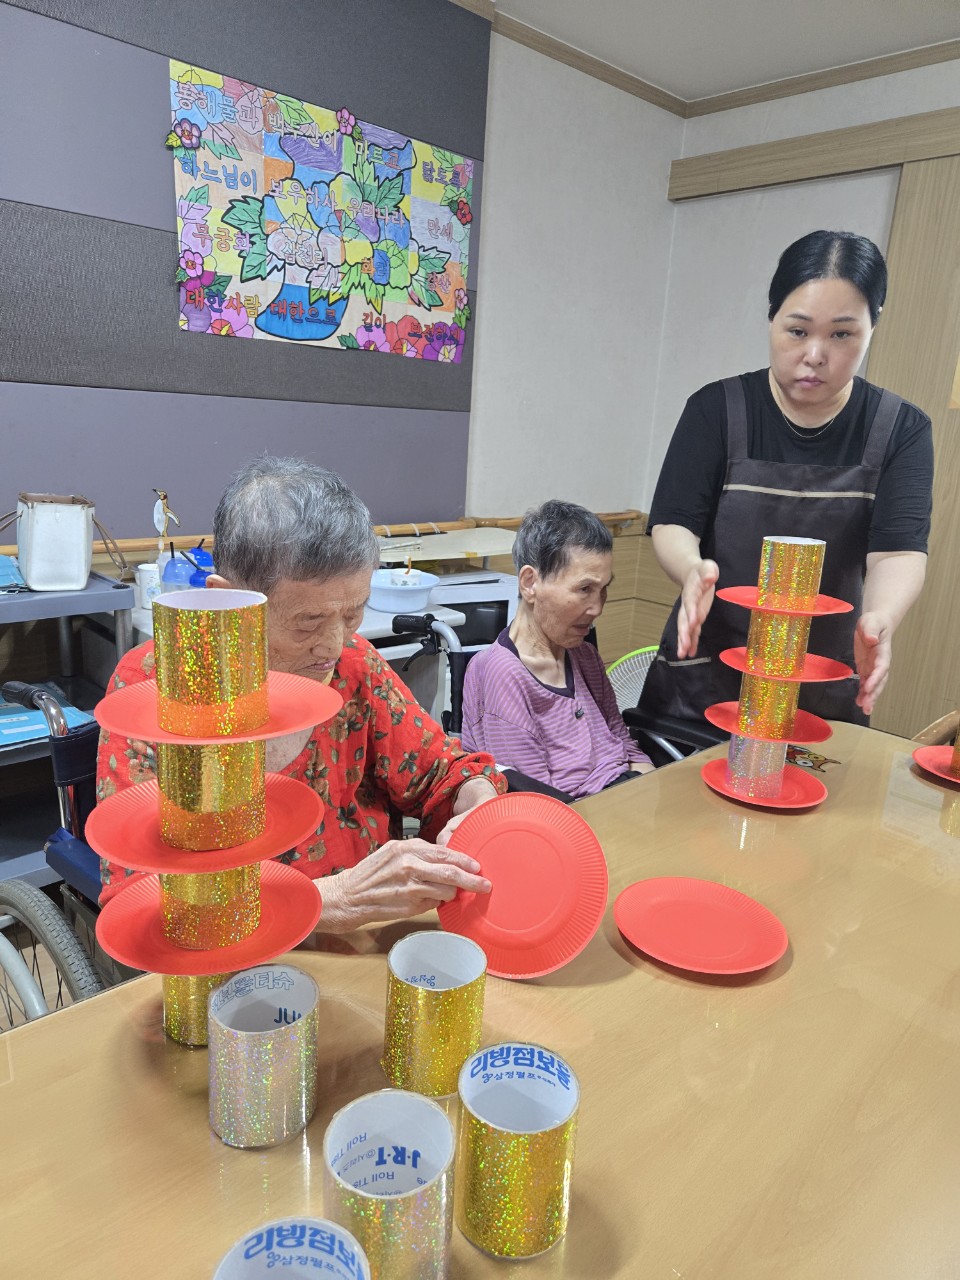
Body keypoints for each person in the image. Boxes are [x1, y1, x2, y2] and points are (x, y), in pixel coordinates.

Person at [96, 457, 506, 931]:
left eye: (352, 613)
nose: (332, 646)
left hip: (369, 937)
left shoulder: (354, 664)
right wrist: (329, 900)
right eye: (307, 622)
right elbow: (139, 899)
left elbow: (442, 774)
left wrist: (474, 803)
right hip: (230, 956)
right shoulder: (154, 693)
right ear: (226, 600)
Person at [638, 230, 932, 726]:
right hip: (704, 681)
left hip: (821, 684)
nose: (815, 354)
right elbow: (674, 521)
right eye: (798, 331)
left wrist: (881, 617)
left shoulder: (900, 429)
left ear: (873, 327)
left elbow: (898, 552)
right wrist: (691, 569)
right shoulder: (716, 409)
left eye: (842, 335)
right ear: (771, 318)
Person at [460, 500, 654, 797]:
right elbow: (537, 798)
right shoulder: (502, 673)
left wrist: (649, 786)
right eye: (585, 589)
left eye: (604, 589)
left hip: (620, 793)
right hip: (574, 812)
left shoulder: (584, 655)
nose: (597, 608)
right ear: (530, 583)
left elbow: (621, 741)